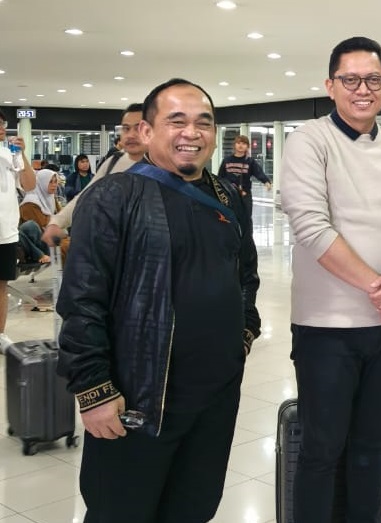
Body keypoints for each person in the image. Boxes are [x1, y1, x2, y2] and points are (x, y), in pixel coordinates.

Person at [56, 79, 261, 523]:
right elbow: (82, 299)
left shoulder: (224, 196)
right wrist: (93, 390)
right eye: (177, 121)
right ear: (147, 132)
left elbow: (246, 273)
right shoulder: (115, 196)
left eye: (203, 123)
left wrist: (243, 333)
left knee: (194, 507)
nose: (192, 132)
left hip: (215, 396)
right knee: (121, 511)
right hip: (139, 399)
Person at [280, 36, 381, 522]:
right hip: (325, 329)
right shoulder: (309, 141)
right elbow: (312, 228)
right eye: (350, 79)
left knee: (373, 446)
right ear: (330, 85)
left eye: (373, 79)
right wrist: (380, 285)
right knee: (321, 450)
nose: (362, 89)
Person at [41, 103, 145, 246]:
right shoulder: (114, 162)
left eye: (138, 128)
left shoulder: (166, 166)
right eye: (126, 128)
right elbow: (85, 197)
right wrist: (57, 222)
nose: (131, 134)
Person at [0, 108, 37, 352]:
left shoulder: (8, 154)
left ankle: (0, 334)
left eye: (3, 124)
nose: (2, 128)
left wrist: (22, 154)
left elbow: (29, 184)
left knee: (1, 285)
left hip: (6, 231)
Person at [19, 168, 64, 263]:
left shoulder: (51, 198)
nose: (54, 185)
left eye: (55, 181)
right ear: (42, 183)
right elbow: (42, 226)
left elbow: (61, 218)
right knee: (30, 226)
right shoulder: (30, 203)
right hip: (43, 240)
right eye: (50, 182)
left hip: (53, 236)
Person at [217, 134, 271, 212]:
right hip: (229, 194)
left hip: (244, 194)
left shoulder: (250, 161)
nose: (240, 145)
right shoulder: (227, 160)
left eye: (243, 143)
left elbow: (258, 172)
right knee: (229, 216)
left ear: (247, 146)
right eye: (238, 143)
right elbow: (220, 177)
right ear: (234, 145)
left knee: (246, 216)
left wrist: (266, 181)